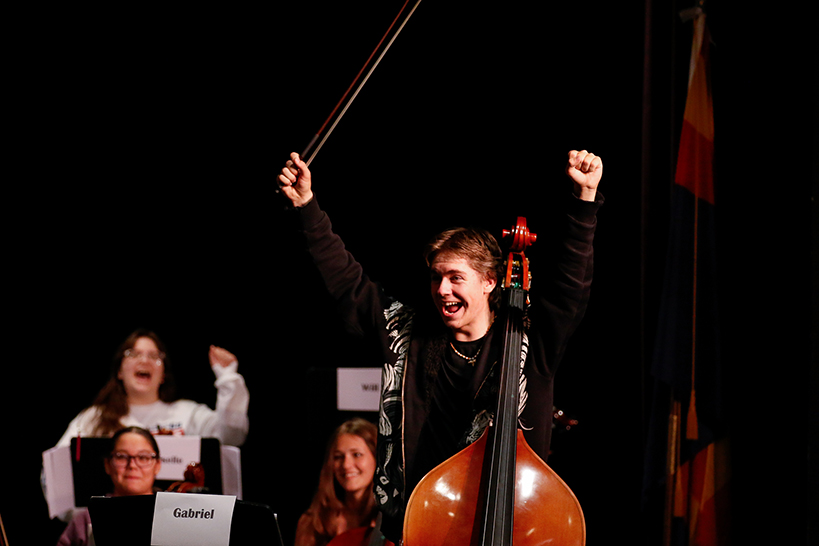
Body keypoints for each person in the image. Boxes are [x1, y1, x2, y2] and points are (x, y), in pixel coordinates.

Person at [278, 148, 604, 542]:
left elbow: (570, 289)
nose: (442, 290)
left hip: (515, 522)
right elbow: (349, 285)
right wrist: (307, 207)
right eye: (435, 277)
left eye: (455, 277)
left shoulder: (530, 342)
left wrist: (584, 202)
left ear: (489, 282)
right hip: (422, 524)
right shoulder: (407, 334)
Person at [55, 328, 250, 447]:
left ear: (163, 375)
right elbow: (55, 467)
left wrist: (228, 378)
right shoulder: (94, 418)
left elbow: (232, 435)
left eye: (154, 356)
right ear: (119, 372)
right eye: (134, 354)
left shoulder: (188, 414)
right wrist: (78, 512)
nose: (145, 360)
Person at [57, 426, 162, 546]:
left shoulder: (174, 513)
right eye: (121, 456)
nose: (132, 465)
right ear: (107, 464)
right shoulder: (85, 519)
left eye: (143, 457)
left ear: (158, 465)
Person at [295, 418, 390, 546]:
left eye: (356, 454)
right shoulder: (313, 520)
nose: (346, 465)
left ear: (377, 459)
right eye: (338, 457)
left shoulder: (390, 521)